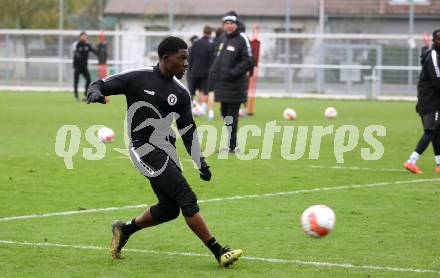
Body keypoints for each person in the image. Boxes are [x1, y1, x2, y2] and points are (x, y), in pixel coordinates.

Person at [86, 36, 243, 267]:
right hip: (142, 148)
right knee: (186, 197)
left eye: (187, 59)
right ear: (165, 58)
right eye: (181, 59)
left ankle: (124, 229)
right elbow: (99, 83)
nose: (186, 64)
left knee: (170, 209)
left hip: (166, 149)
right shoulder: (138, 77)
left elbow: (188, 131)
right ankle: (218, 251)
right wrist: (95, 92)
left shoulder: (180, 93)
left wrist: (202, 163)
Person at [210, 11, 253, 153]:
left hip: (235, 85)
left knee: (232, 116)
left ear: (236, 24)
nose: (228, 26)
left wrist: (232, 73)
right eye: (226, 23)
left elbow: (248, 61)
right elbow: (217, 58)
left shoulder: (242, 39)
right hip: (222, 85)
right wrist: (213, 74)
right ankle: (231, 144)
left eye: (231, 23)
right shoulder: (222, 38)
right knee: (224, 113)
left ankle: (232, 146)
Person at [404, 29, 440, 174]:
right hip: (431, 101)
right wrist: (426, 48)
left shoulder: (433, 54)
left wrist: (425, 47)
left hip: (432, 100)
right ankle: (411, 161)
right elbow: (437, 80)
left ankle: (439, 164)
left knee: (437, 132)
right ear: (435, 41)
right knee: (430, 131)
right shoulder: (433, 55)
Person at [187, 26, 213, 116]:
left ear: (203, 32)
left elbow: (190, 57)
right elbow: (211, 59)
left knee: (192, 92)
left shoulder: (196, 43)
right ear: (211, 33)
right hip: (206, 72)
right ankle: (201, 108)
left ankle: (195, 108)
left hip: (194, 71)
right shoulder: (210, 44)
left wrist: (190, 70)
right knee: (204, 91)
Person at [73, 31, 98, 102]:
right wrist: (79, 56)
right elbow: (76, 54)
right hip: (77, 67)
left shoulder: (88, 45)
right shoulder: (76, 45)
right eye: (83, 36)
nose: (84, 37)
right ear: (80, 37)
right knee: (76, 82)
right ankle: (76, 96)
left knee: (89, 80)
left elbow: (95, 51)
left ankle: (85, 95)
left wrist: (100, 53)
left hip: (84, 67)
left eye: (85, 36)